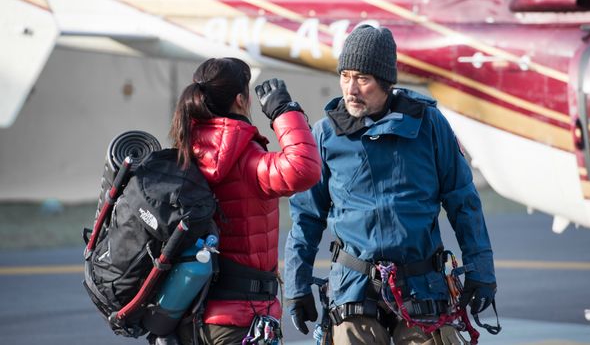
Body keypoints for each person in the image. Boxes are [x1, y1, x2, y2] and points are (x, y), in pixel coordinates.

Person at [283, 25, 497, 345]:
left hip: (423, 289)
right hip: (353, 292)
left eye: (362, 79)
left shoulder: (429, 125)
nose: (350, 88)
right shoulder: (326, 135)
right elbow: (306, 217)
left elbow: (463, 201)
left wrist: (482, 272)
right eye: (345, 76)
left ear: (385, 82)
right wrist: (296, 287)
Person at [169, 57, 321, 345]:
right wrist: (283, 111)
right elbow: (304, 169)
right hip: (241, 319)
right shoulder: (247, 158)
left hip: (189, 317)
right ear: (241, 100)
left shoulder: (186, 151)